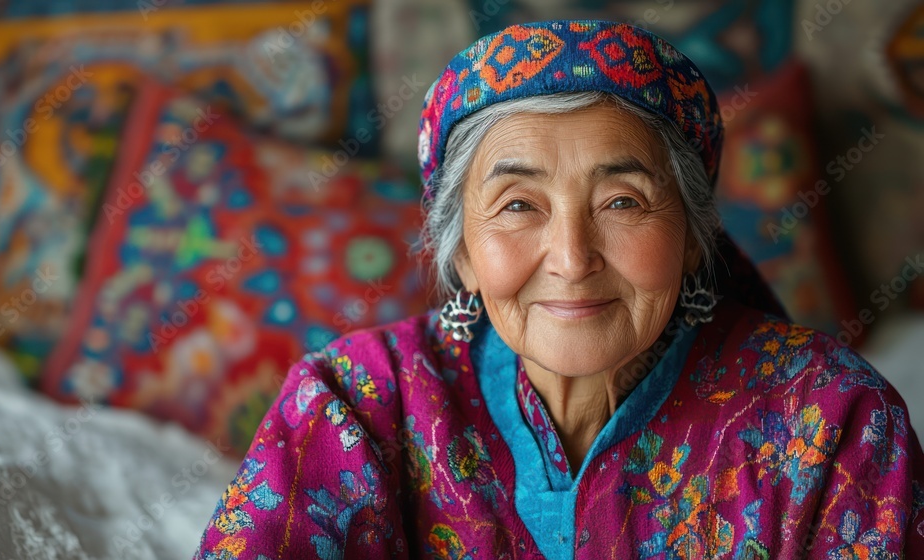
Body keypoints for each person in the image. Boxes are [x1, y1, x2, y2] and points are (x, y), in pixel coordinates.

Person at [194, 20, 924, 559]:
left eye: (623, 202)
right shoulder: (352, 402)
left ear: (692, 237)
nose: (572, 259)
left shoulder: (832, 421)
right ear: (464, 256)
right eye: (518, 205)